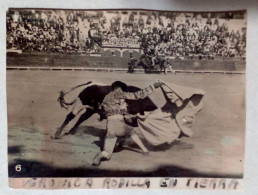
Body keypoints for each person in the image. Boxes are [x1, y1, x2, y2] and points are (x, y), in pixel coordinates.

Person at [92, 81, 162, 166]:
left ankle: (102, 154)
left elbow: (104, 110)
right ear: (119, 88)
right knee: (131, 132)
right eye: (122, 89)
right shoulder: (119, 94)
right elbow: (138, 95)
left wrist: (124, 113)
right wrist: (153, 86)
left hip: (109, 127)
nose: (122, 91)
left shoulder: (106, 98)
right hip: (119, 123)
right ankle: (145, 150)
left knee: (107, 153)